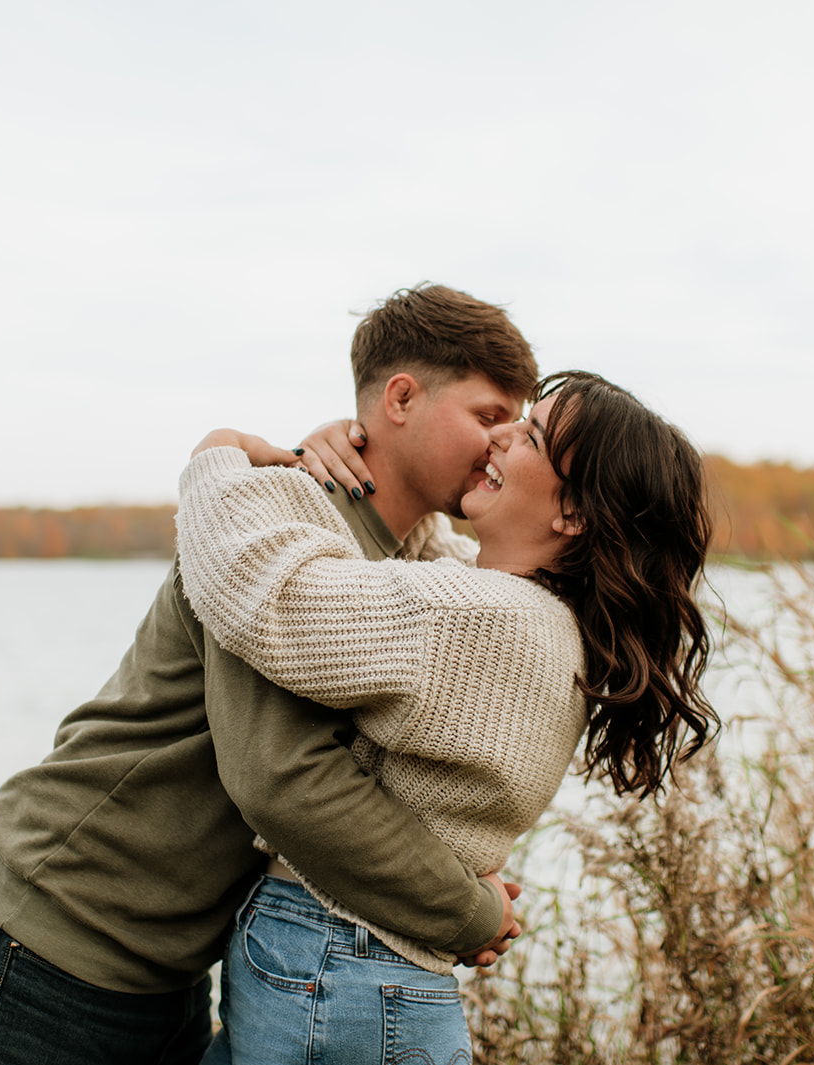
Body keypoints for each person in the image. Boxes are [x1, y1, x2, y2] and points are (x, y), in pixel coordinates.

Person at [0, 284, 541, 1065]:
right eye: (488, 415)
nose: (503, 442)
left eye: (518, 424)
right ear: (401, 398)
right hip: (51, 936)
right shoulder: (276, 524)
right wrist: (464, 910)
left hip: (171, 970)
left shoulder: (413, 558)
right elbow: (280, 776)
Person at [176, 370, 718, 1065]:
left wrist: (215, 460)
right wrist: (357, 461)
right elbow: (428, 559)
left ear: (573, 514)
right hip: (370, 974)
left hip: (337, 960)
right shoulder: (548, 621)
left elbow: (269, 595)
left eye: (533, 435)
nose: (502, 432)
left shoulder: (479, 620)